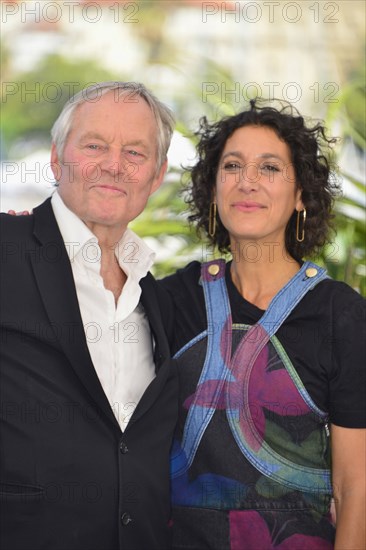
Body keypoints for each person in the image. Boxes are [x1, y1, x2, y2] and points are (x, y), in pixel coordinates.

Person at [160, 102, 366, 549]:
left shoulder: (339, 314)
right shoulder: (173, 300)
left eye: (269, 167)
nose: (247, 181)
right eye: (232, 166)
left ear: (300, 197)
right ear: (213, 191)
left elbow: (355, 489)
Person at [0, 81, 178, 550]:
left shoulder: (156, 297)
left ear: (156, 176)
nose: (114, 165)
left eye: (135, 153)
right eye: (95, 145)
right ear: (57, 158)